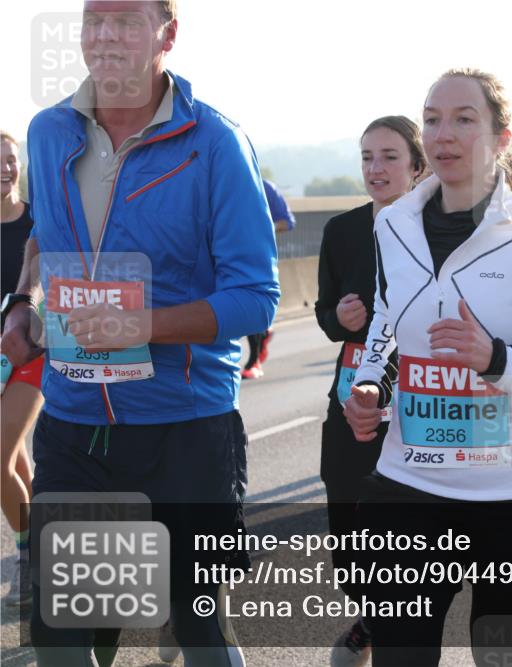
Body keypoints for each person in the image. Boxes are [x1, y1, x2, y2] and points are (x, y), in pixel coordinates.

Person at [0, 2, 281, 665]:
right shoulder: (47, 131)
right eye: (95, 19)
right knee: (64, 636)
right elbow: (46, 238)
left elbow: (256, 298)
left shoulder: (214, 142)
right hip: (74, 425)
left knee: (197, 627)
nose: (105, 35)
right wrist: (22, 300)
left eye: (127, 20)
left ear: (168, 34)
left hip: (182, 429)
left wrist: (138, 324)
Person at [344, 68, 512, 667]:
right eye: (433, 119)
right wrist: (369, 387)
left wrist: (496, 360)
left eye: (465, 119)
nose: (445, 134)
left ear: (501, 139)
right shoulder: (391, 224)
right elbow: (388, 326)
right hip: (410, 488)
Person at [315, 115, 426, 667]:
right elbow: (323, 312)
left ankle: (382, 626)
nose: (375, 168)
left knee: (402, 518)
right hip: (350, 389)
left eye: (388, 157)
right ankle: (373, 614)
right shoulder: (341, 230)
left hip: (414, 393)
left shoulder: (436, 228)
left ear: (416, 166)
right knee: (346, 517)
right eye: (366, 157)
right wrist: (338, 315)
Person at [0, 131, 42, 608]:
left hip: (33, 352)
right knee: (16, 463)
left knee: (1, 455)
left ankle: (29, 561)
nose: (6, 169)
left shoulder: (38, 220)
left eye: (11, 161)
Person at [241, 179, 295, 379]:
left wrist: (261, 230)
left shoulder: (265, 186)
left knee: (250, 304)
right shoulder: (220, 183)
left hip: (258, 258)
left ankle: (253, 360)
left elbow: (287, 221)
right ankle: (264, 331)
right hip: (224, 256)